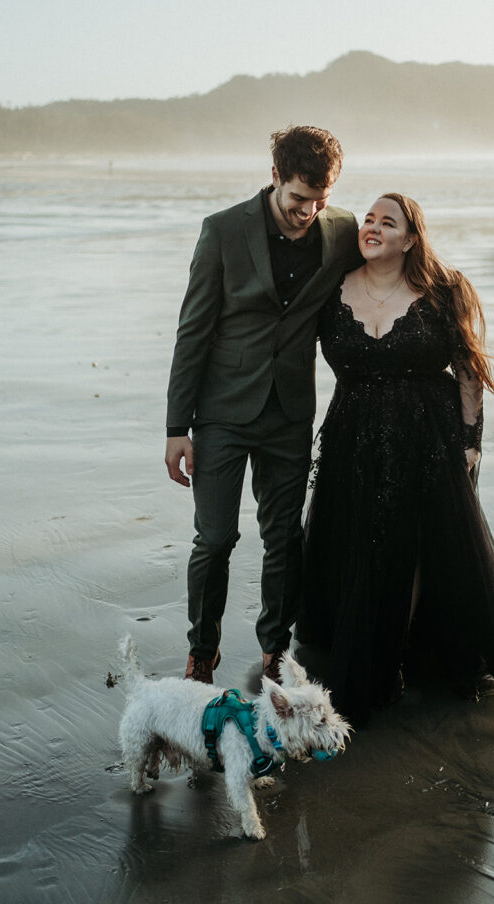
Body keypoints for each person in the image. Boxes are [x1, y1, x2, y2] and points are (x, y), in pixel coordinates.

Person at [296, 193, 494, 725]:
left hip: (429, 439)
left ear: (410, 239)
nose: (373, 227)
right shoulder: (331, 290)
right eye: (369, 220)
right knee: (362, 543)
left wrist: (471, 440)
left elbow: (469, 371)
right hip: (353, 438)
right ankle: (367, 648)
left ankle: (397, 655)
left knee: (417, 548)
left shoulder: (445, 292)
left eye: (388, 222)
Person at [165, 126, 361, 685]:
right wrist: (178, 426)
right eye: (300, 199)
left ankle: (277, 650)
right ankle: (202, 652)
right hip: (222, 411)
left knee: (284, 537)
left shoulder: (341, 230)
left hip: (290, 413)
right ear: (275, 176)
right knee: (216, 538)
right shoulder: (223, 232)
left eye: (320, 200)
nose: (309, 212)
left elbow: (390, 254)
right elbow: (192, 332)